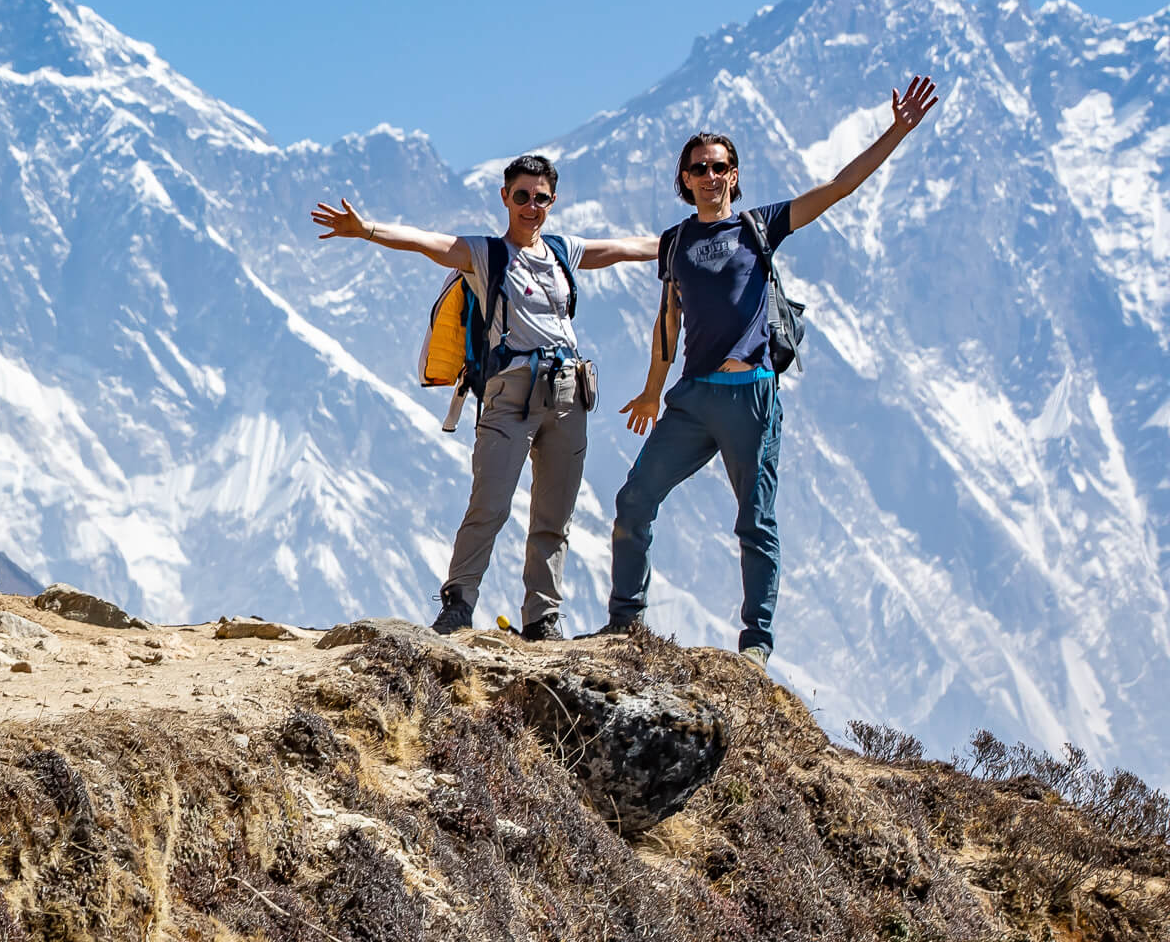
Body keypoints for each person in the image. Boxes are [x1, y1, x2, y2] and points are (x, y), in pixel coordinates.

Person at [597, 75, 942, 667]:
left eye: (720, 166)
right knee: (634, 500)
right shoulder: (675, 241)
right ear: (684, 180)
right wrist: (653, 391)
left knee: (754, 521)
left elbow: (838, 188)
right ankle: (625, 625)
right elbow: (668, 321)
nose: (710, 176)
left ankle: (755, 643)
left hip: (751, 396)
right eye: (698, 168)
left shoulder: (760, 227)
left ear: (734, 173)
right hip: (692, 397)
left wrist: (897, 131)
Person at [312, 155, 658, 638]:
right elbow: (426, 243)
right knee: (489, 504)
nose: (531, 206)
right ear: (505, 198)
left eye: (540, 198)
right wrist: (366, 228)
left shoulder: (563, 251)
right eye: (522, 196)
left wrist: (690, 240)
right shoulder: (484, 253)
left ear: (552, 202)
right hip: (510, 394)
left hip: (568, 394)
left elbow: (624, 249)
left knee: (554, 514)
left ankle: (543, 618)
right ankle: (458, 603)